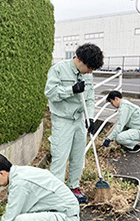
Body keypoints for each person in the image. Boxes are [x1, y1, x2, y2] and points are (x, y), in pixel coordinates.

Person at [44, 43, 104, 203]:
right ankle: (56, 193)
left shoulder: (88, 75)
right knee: (60, 156)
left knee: (78, 156)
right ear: (80, 60)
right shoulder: (58, 69)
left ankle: (73, 186)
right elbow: (50, 93)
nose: (91, 72)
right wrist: (71, 90)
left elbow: (90, 99)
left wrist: (90, 118)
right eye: (90, 67)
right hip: (62, 120)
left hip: (79, 120)